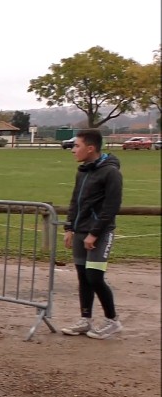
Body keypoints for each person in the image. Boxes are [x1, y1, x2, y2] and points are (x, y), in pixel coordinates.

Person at [60, 129, 123, 340]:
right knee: (83, 277)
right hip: (80, 231)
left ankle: (112, 320)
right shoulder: (83, 170)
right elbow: (74, 201)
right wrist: (69, 228)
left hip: (100, 232)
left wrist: (94, 233)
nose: (73, 150)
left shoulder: (111, 172)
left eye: (76, 146)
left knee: (94, 277)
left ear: (90, 148)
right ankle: (85, 319)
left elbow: (111, 207)